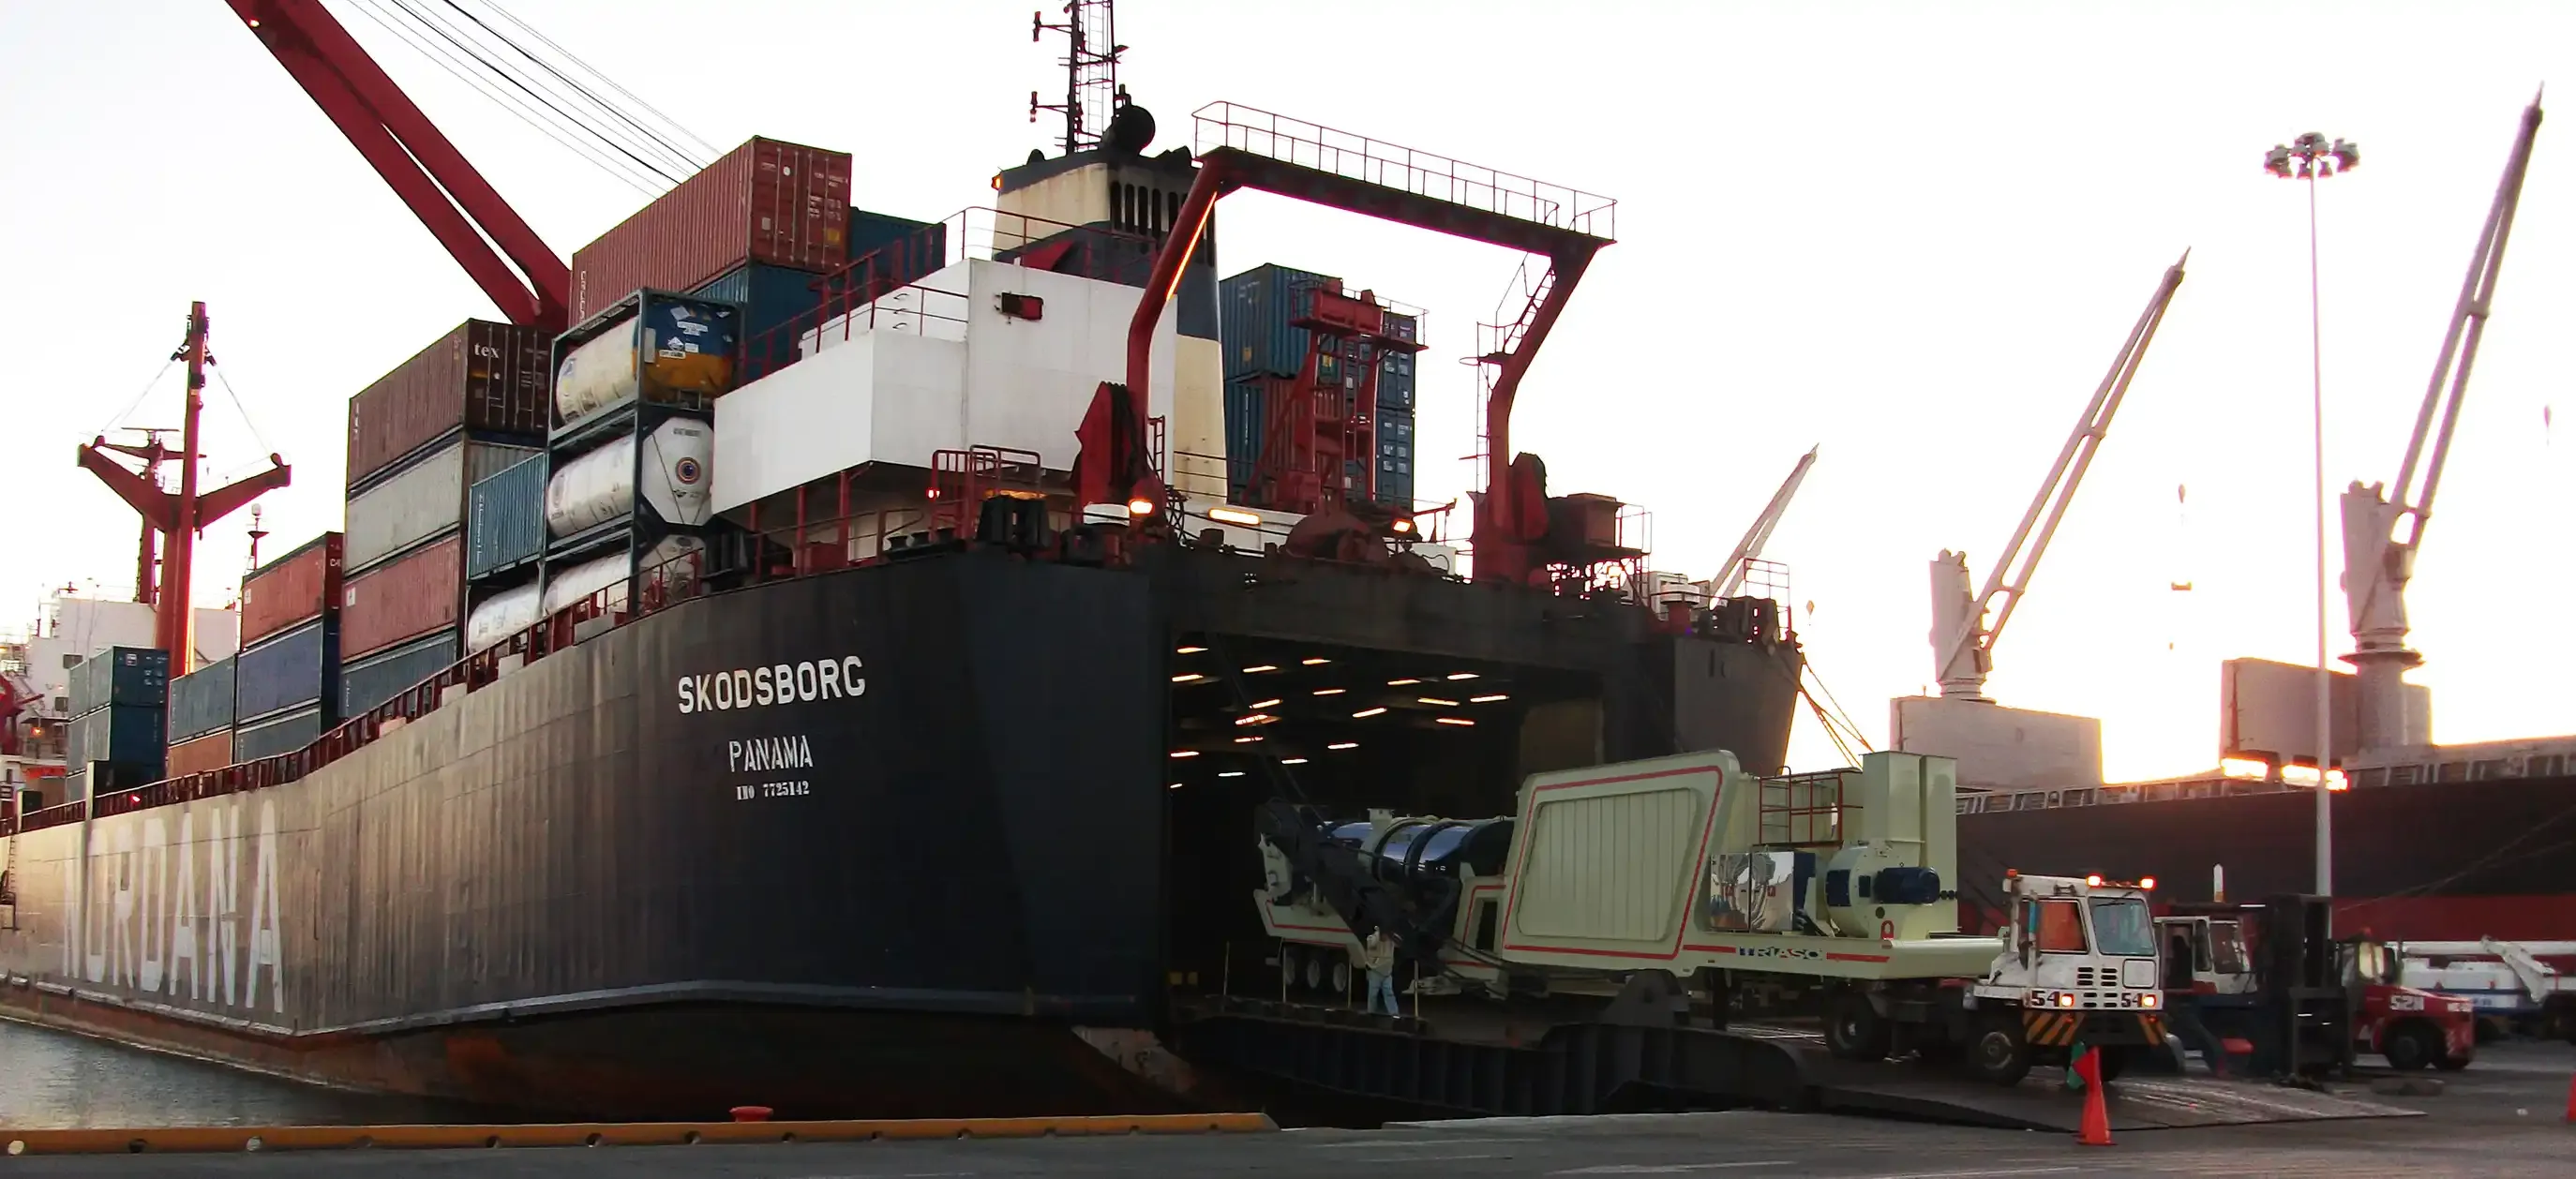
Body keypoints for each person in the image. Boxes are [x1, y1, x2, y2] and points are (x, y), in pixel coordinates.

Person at [1362, 927, 1399, 1015]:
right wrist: (1377, 934)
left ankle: (1394, 1014)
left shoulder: (1392, 939)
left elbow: (1399, 942)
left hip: (1387, 972)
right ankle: (1371, 1013)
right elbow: (1370, 942)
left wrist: (1393, 935)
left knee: (1389, 994)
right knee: (1372, 995)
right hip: (1375, 972)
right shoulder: (1373, 939)